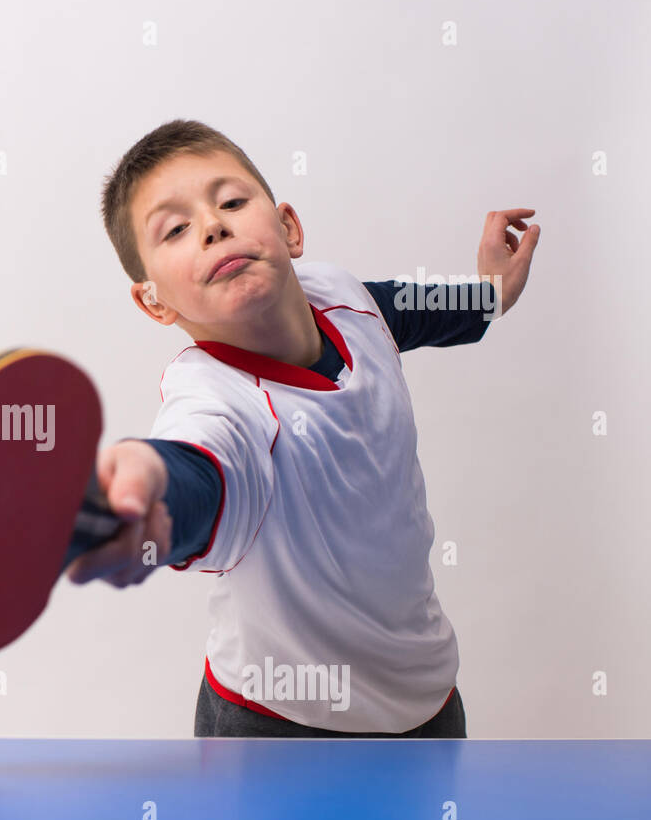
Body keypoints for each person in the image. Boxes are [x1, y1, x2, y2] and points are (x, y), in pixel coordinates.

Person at [72, 119, 541, 738]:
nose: (214, 225)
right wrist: (150, 485)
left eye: (232, 202)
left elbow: (404, 313)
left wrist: (487, 294)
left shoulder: (343, 297)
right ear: (154, 299)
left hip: (428, 700)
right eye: (177, 229)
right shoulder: (212, 399)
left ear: (288, 228)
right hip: (278, 727)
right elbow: (200, 467)